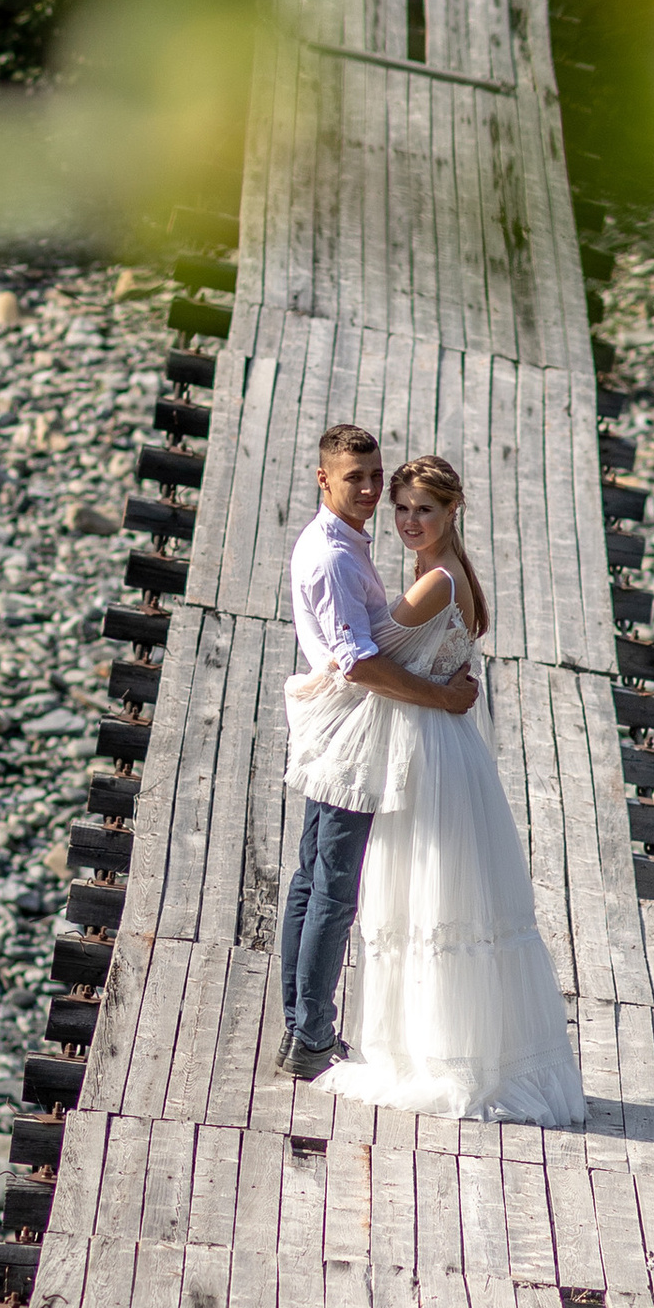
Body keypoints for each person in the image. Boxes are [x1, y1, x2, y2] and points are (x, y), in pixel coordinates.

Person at [318, 454, 588, 1126]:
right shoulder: (440, 572)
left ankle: (441, 1058)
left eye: (423, 510)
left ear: (451, 511)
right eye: (401, 508)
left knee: (428, 895)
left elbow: (369, 649)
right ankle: (439, 1047)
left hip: (432, 748)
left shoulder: (437, 580)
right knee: (428, 895)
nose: (409, 520)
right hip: (441, 739)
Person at [279, 423, 481, 1083]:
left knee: (316, 883)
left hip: (357, 730)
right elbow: (360, 663)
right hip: (352, 733)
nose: (371, 491)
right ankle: (308, 1034)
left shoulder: (359, 548)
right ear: (324, 479)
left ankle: (302, 1029)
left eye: (376, 478)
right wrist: (442, 696)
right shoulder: (336, 557)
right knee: (328, 889)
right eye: (356, 479)